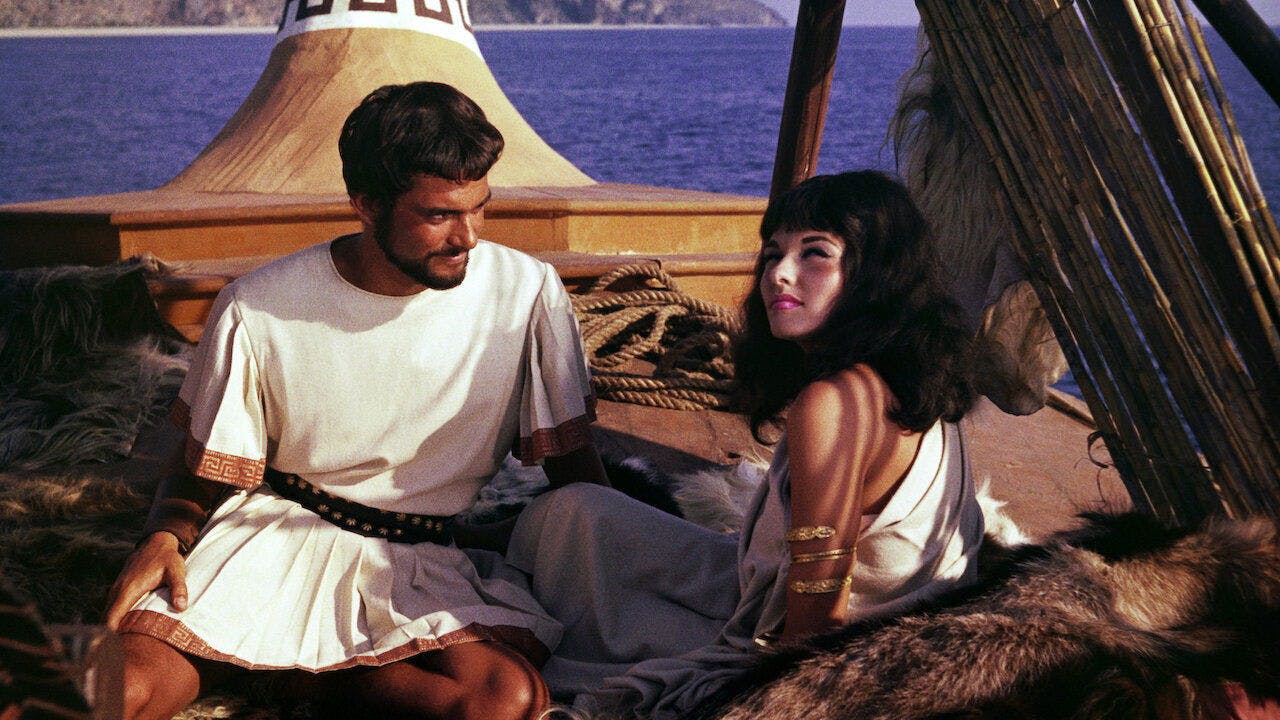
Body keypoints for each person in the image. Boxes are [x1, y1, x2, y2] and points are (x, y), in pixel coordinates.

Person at [102, 81, 608, 720]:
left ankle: (300, 679)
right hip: (269, 541)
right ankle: (282, 663)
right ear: (366, 205)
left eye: (480, 208)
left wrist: (613, 566)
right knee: (120, 691)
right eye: (438, 215)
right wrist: (164, 536)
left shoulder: (526, 291)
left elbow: (572, 464)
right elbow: (204, 456)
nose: (468, 237)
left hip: (419, 560)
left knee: (506, 698)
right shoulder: (258, 305)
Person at [505, 170, 985, 718]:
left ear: (878, 273)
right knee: (580, 511)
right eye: (773, 254)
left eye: (815, 254)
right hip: (871, 624)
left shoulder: (835, 402)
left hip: (825, 651)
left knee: (570, 601)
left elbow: (819, 598)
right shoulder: (915, 381)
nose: (779, 274)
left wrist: (777, 701)